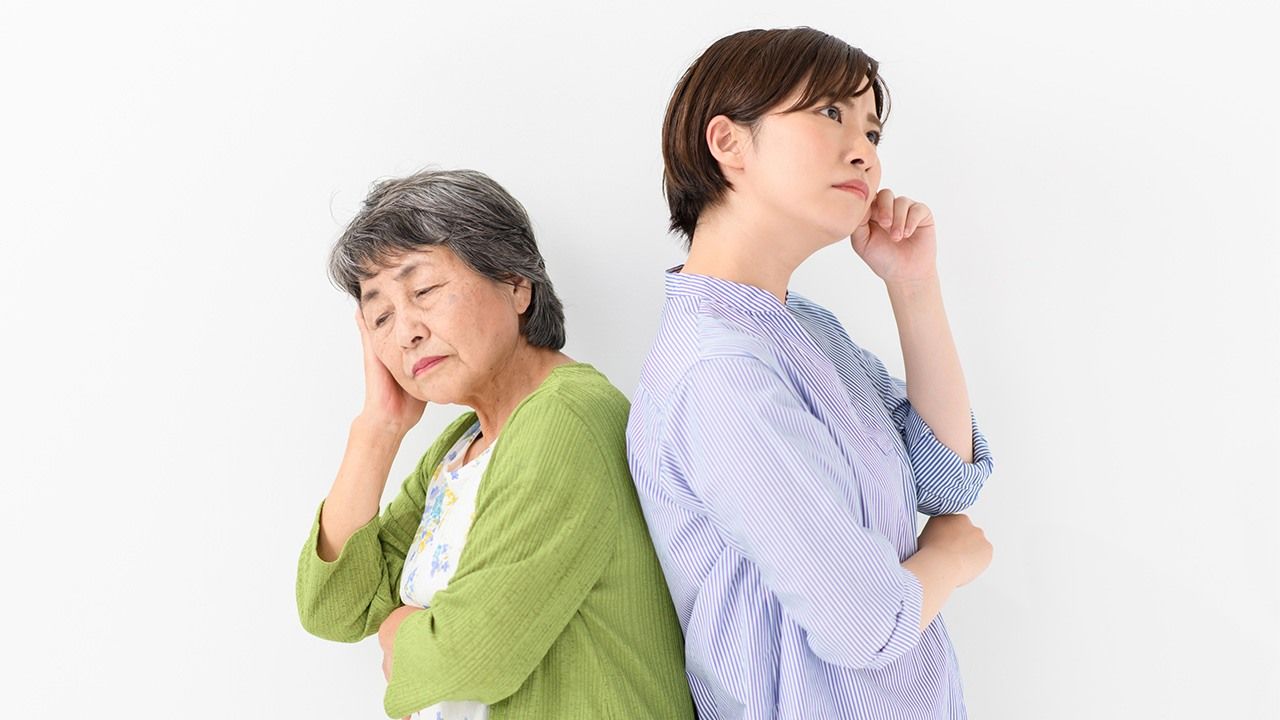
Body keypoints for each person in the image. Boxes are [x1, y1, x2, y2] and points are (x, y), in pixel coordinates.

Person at [626, 27, 996, 719]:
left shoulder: (801, 327)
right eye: (830, 113)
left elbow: (949, 479)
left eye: (873, 130)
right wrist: (951, 557)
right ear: (728, 143)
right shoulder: (720, 372)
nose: (863, 151)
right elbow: (866, 624)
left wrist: (913, 287)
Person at [296, 169, 695, 719]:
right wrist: (378, 429)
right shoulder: (462, 448)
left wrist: (398, 632)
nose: (405, 331)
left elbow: (474, 655)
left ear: (515, 284)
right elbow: (336, 607)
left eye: (424, 291)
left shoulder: (566, 420)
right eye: (380, 315)